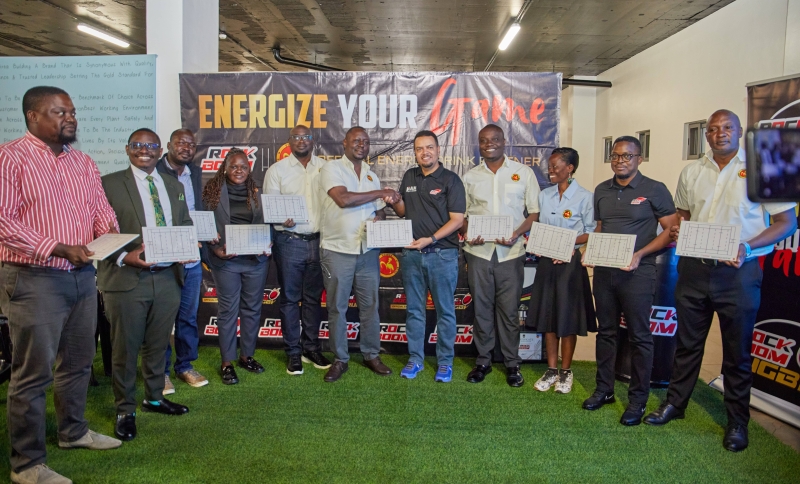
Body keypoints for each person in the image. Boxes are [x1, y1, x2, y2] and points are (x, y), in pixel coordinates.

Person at [644, 110, 797, 451]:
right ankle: (675, 404)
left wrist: (746, 247)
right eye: (713, 129)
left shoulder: (765, 168)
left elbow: (786, 223)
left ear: (740, 132)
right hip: (694, 269)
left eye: (727, 127)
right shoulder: (692, 171)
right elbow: (683, 215)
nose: (719, 133)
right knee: (687, 344)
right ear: (707, 135)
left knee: (737, 352)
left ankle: (737, 422)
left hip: (739, 272)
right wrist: (680, 228)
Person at [0, 86, 121, 484]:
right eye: (59, 112)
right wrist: (55, 247)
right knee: (32, 374)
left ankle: (73, 432)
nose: (70, 118)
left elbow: (99, 209)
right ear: (33, 116)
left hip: (82, 277)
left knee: (78, 363)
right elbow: (3, 220)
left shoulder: (82, 161)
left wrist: (112, 235)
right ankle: (27, 463)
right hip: (34, 278)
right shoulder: (10, 157)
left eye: (72, 112)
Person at [98, 128, 192, 443]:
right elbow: (96, 229)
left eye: (151, 145)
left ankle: (154, 397)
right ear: (128, 149)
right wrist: (123, 256)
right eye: (138, 145)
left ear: (160, 150)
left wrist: (188, 244)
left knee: (158, 344)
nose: (145, 150)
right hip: (127, 278)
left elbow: (184, 222)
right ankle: (125, 410)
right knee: (125, 348)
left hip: (168, 278)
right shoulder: (109, 184)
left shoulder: (173, 184)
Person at [582, 136, 678, 426]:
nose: (620, 161)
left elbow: (671, 229)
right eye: (615, 155)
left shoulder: (655, 189)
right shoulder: (602, 189)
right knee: (606, 333)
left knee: (640, 336)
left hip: (638, 272)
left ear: (639, 159)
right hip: (605, 272)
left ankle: (638, 400)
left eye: (627, 156)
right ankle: (604, 390)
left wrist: (640, 254)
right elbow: (601, 227)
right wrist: (590, 250)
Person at [461, 124, 540, 387]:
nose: (489, 144)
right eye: (484, 140)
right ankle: (483, 361)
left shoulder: (523, 173)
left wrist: (516, 233)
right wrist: (469, 232)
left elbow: (534, 213)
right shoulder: (470, 176)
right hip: (479, 252)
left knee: (509, 311)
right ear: (479, 144)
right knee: (482, 309)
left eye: (494, 139)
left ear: (504, 141)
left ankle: (512, 363)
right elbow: (462, 215)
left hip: (511, 253)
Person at [318, 126, 397, 382]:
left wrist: (379, 216)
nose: (361, 145)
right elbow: (343, 199)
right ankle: (340, 359)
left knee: (370, 305)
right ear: (344, 143)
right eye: (356, 140)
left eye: (366, 141)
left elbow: (379, 209)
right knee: (337, 307)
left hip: (367, 250)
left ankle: (371, 354)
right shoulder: (331, 168)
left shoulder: (371, 176)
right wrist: (381, 193)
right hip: (337, 248)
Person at [386, 130, 466, 383]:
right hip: (412, 255)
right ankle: (415, 359)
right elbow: (402, 212)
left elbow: (457, 220)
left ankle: (445, 362)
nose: (425, 152)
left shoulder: (451, 179)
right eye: (419, 149)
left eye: (429, 147)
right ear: (415, 153)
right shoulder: (410, 176)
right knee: (414, 311)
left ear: (438, 150)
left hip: (442, 255)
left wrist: (431, 239)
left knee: (445, 312)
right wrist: (393, 200)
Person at [264, 125, 331, 375]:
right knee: (290, 298)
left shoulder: (326, 168)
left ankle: (310, 348)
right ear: (289, 141)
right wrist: (281, 219)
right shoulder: (277, 170)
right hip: (289, 241)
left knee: (313, 298)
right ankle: (293, 352)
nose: (301, 141)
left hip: (319, 241)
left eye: (306, 137)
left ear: (313, 141)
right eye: (296, 137)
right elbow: (271, 209)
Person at [528, 148, 596, 394]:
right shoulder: (545, 195)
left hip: (570, 264)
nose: (551, 170)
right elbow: (539, 226)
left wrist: (567, 245)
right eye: (550, 166)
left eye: (556, 166)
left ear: (570, 168)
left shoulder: (585, 197)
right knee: (548, 317)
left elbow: (592, 230)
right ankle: (551, 369)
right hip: (547, 263)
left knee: (567, 318)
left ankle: (566, 371)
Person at [203, 148, 270, 385]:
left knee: (252, 309)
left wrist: (268, 242)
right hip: (227, 260)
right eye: (233, 166)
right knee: (228, 311)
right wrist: (214, 249)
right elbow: (203, 226)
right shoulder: (212, 191)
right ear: (225, 168)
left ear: (249, 169)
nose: (238, 170)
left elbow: (267, 223)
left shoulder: (258, 191)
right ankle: (227, 362)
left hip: (255, 261)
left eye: (243, 166)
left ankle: (246, 356)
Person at [155, 128, 208, 392]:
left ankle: (185, 365)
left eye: (191, 144)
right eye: (180, 143)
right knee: (163, 319)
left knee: (187, 316)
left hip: (192, 258)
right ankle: (161, 371)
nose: (186, 148)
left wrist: (206, 233)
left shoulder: (194, 172)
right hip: (165, 258)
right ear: (168, 145)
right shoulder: (153, 171)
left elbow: (197, 211)